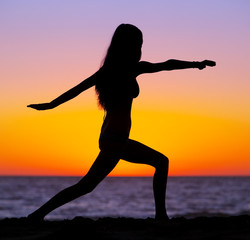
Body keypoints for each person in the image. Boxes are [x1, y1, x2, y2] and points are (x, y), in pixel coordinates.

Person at [27, 23, 215, 221]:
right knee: (158, 163)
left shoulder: (108, 72)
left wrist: (51, 105)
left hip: (113, 138)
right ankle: (161, 216)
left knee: (87, 186)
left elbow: (166, 65)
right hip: (115, 139)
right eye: (138, 44)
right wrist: (195, 64)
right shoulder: (128, 70)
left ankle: (37, 215)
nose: (140, 49)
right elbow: (165, 65)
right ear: (128, 46)